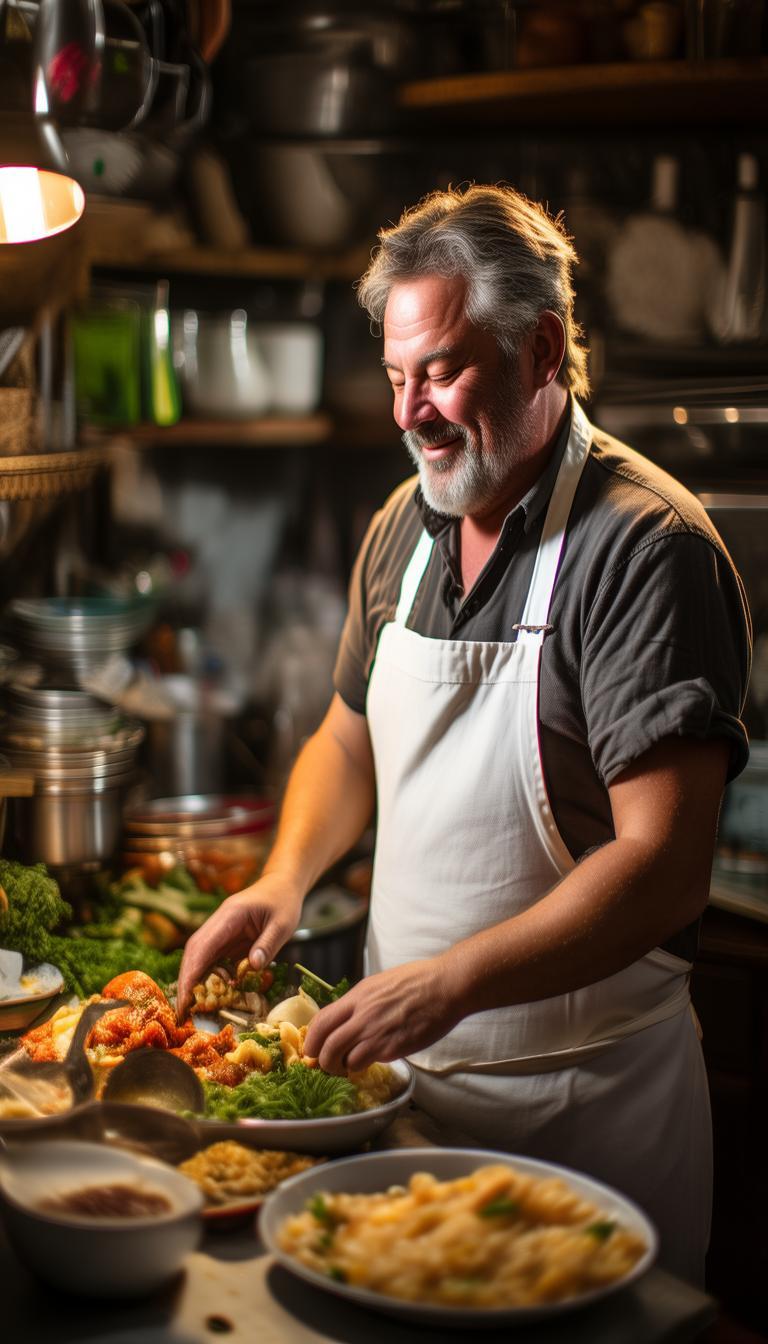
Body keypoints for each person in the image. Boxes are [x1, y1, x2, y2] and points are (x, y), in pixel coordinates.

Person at [177, 184, 751, 1284]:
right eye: (397, 378)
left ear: (542, 352)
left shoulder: (644, 549)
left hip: (587, 1114)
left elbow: (664, 866)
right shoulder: (404, 524)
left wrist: (449, 982)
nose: (409, 414)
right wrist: (285, 880)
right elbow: (348, 740)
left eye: (440, 371)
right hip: (407, 1096)